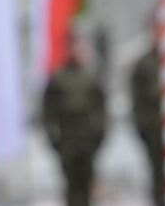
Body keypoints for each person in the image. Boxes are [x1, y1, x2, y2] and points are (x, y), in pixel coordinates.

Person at [42, 32, 106, 206]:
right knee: (71, 187)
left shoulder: (90, 77)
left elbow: (101, 108)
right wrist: (54, 138)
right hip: (67, 139)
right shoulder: (57, 79)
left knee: (86, 186)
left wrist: (99, 134)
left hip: (87, 139)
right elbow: (47, 111)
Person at [131, 34, 165, 206]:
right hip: (153, 128)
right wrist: (143, 127)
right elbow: (137, 99)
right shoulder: (143, 65)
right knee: (157, 173)